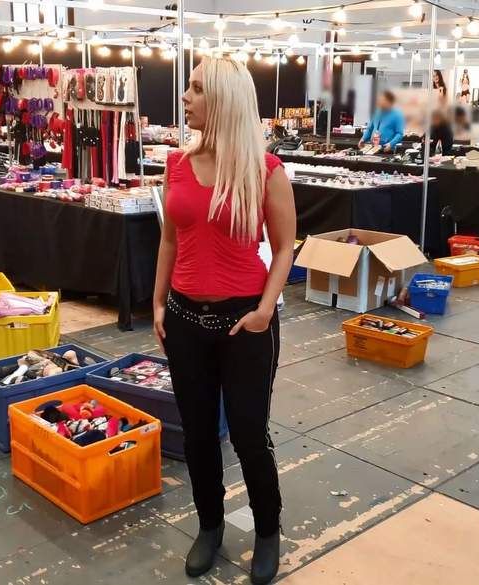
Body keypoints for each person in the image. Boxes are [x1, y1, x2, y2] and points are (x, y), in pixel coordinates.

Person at [153, 57, 296, 585]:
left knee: (248, 432)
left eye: (196, 89)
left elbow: (285, 247)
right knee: (196, 433)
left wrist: (265, 310)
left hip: (245, 322)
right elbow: (170, 240)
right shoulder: (176, 163)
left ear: (223, 101)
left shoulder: (265, 170)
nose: (185, 97)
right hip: (184, 318)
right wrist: (157, 303)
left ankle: (267, 530)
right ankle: (210, 526)